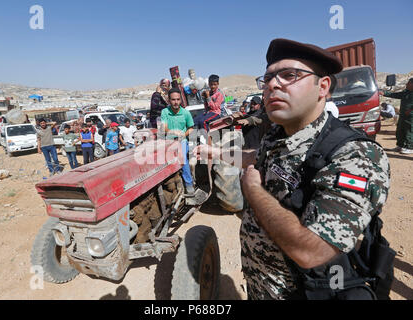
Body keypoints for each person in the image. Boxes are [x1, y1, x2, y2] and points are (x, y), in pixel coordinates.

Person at [194, 38, 390, 300]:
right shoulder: (278, 136)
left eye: (289, 75)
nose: (273, 84)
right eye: (268, 79)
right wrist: (216, 153)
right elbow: (257, 157)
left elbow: (312, 251)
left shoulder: (354, 155)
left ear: (323, 87)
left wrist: (253, 189)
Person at [160, 88, 195, 195]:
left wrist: (183, 134)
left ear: (181, 100)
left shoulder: (186, 113)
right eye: (173, 100)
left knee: (182, 159)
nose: (176, 102)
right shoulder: (165, 112)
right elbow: (164, 128)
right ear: (169, 100)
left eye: (178, 99)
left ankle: (189, 183)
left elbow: (191, 128)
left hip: (182, 141)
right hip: (168, 141)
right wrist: (173, 132)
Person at [382, 78, 413, 154]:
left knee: (409, 132)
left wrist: (410, 110)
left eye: (408, 83)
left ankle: (410, 148)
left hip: (410, 117)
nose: (406, 84)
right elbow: (395, 94)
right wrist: (384, 93)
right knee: (400, 130)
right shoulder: (406, 92)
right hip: (403, 115)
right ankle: (400, 146)